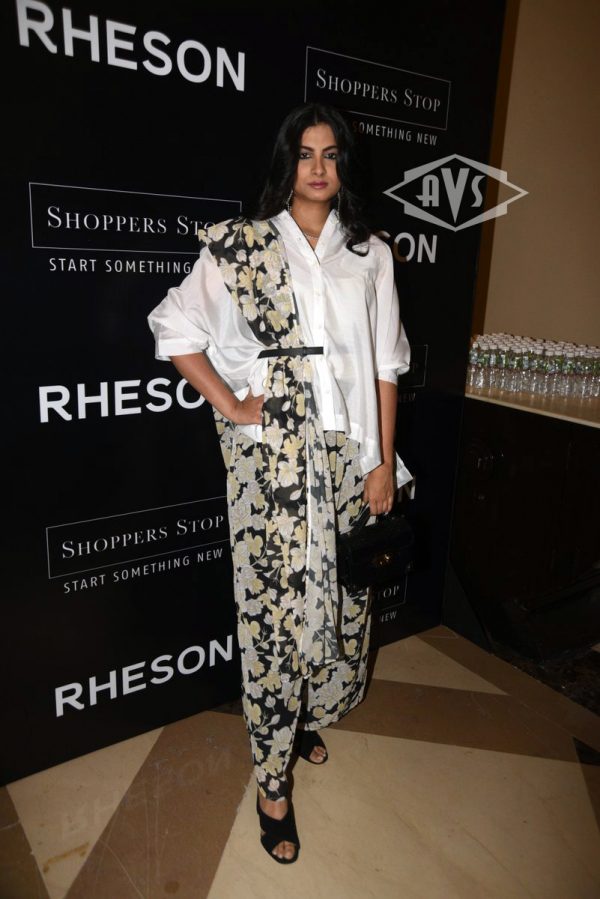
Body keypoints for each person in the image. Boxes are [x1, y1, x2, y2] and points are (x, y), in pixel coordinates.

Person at [147, 102, 412, 864]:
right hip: (272, 470)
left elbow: (385, 364)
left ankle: (301, 719)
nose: (319, 167)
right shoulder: (245, 246)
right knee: (274, 617)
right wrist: (233, 405)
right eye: (305, 154)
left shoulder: (371, 254)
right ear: (285, 163)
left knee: (338, 604)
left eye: (331, 154)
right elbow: (173, 327)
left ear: (345, 165)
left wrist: (382, 461)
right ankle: (271, 781)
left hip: (347, 457)